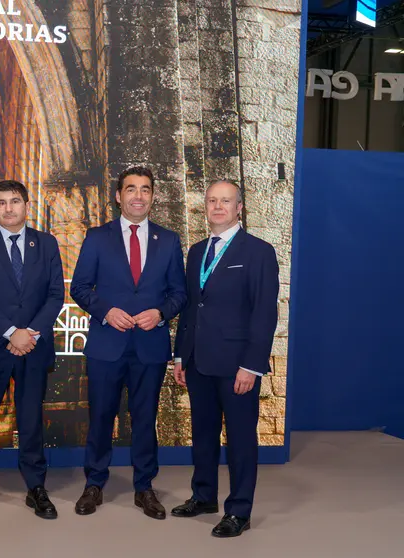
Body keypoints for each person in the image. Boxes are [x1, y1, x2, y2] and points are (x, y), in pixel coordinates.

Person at [69, 166, 187, 519]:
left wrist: (160, 313)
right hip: (107, 345)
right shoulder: (97, 237)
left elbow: (179, 293)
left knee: (145, 419)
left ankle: (145, 487)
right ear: (118, 196)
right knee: (101, 417)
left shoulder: (168, 240)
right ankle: (94, 484)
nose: (138, 195)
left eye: (145, 189)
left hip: (149, 346)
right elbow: (80, 287)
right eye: (131, 189)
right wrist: (106, 311)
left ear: (153, 196)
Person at [170, 180, 279, 538]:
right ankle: (203, 497)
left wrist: (251, 365)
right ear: (205, 206)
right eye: (212, 200)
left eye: (226, 201)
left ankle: (239, 511)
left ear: (239, 208)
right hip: (198, 361)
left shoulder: (258, 251)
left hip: (237, 366)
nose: (218, 206)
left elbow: (264, 313)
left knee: (241, 439)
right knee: (203, 434)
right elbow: (190, 309)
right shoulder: (196, 252)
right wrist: (180, 356)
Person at [0, 180, 65, 519]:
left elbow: (55, 295)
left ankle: (36, 487)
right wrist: (10, 333)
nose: (9, 208)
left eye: (15, 201)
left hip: (33, 346)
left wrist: (29, 334)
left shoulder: (46, 244)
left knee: (31, 420)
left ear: (26, 206)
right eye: (2, 202)